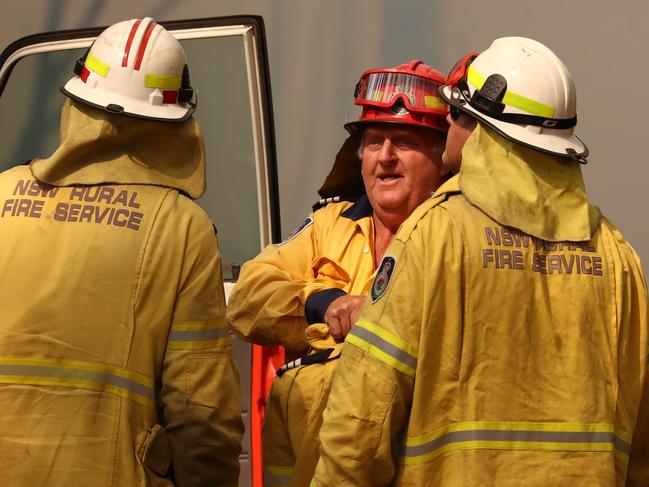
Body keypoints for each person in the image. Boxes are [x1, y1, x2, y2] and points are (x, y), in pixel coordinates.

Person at [313, 37, 649, 486]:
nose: (449, 125)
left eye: (453, 112)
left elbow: (362, 412)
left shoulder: (434, 235)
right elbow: (641, 434)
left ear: (477, 126)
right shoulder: (616, 255)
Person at [0, 18, 244, 486]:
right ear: (176, 123)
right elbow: (201, 410)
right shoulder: (181, 228)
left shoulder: (4, 194)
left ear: (75, 104)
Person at [227, 60, 451, 486]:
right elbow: (246, 298)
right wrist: (322, 303)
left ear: (442, 157)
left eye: (403, 141)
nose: (384, 157)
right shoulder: (332, 224)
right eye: (372, 141)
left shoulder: (451, 235)